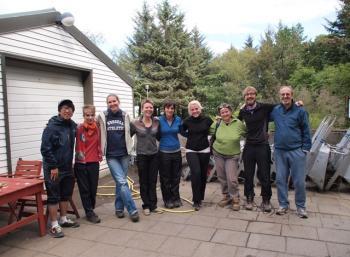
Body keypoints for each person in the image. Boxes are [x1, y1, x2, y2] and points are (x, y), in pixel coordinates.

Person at [270, 85, 311, 218]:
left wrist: (305, 149)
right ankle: (283, 205)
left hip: (296, 151)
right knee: (281, 180)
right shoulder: (275, 110)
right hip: (280, 151)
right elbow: (261, 116)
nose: (285, 96)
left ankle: (301, 207)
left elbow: (306, 130)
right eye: (283, 94)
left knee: (299, 181)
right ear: (279, 96)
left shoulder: (300, 111)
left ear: (292, 95)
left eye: (288, 94)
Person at [97, 94, 139, 222]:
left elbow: (132, 130)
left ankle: (119, 208)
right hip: (111, 156)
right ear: (107, 104)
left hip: (124, 154)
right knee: (122, 182)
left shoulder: (125, 115)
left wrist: (131, 147)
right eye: (109, 102)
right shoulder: (102, 116)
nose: (112, 103)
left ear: (118, 101)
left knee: (120, 183)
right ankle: (132, 209)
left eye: (114, 101)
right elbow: (92, 126)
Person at [41, 99, 79, 238]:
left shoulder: (72, 126)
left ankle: (63, 219)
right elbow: (45, 149)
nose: (67, 110)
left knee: (65, 195)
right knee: (53, 196)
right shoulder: (51, 127)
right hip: (54, 169)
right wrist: (53, 166)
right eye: (64, 108)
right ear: (59, 110)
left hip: (67, 167)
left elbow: (83, 129)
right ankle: (54, 224)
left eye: (70, 108)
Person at [238, 86, 274, 212]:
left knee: (264, 174)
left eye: (252, 94)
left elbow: (282, 108)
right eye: (247, 94)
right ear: (244, 97)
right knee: (248, 174)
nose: (250, 96)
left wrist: (296, 103)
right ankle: (249, 197)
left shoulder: (265, 107)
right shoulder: (243, 111)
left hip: (263, 146)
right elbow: (236, 123)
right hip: (249, 146)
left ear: (256, 95)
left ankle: (266, 199)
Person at [211, 103, 246, 211]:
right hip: (218, 153)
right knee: (221, 177)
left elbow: (247, 134)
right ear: (219, 114)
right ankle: (226, 196)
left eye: (226, 111)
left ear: (230, 112)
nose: (225, 113)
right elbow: (207, 132)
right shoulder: (217, 123)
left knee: (231, 178)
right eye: (222, 112)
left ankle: (235, 198)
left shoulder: (238, 123)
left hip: (232, 155)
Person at [130, 99, 163, 215]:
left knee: (153, 181)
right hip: (142, 156)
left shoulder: (157, 122)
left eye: (151, 107)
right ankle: (146, 205)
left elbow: (159, 136)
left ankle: (153, 205)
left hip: (154, 155)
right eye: (146, 107)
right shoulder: (135, 123)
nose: (149, 109)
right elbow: (127, 136)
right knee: (144, 181)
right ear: (142, 109)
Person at [181, 100, 213, 210]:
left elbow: (213, 131)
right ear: (189, 111)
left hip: (204, 149)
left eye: (196, 109)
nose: (195, 111)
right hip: (191, 150)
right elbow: (181, 130)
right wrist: (189, 135)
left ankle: (200, 197)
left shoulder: (207, 120)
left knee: (203, 175)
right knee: (196, 172)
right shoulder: (187, 121)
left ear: (200, 108)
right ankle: (196, 200)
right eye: (192, 109)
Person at [74, 105, 102, 223]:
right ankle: (89, 212)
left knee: (93, 188)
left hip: (94, 161)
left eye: (92, 115)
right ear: (83, 115)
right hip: (82, 162)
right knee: (84, 189)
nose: (90, 117)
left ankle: (91, 208)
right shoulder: (79, 128)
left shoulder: (98, 127)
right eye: (87, 115)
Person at [158, 99, 183, 209]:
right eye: (168, 108)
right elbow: (155, 134)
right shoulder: (159, 120)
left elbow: (183, 131)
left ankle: (176, 198)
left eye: (172, 108)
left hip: (176, 152)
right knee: (165, 178)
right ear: (164, 109)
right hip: (164, 153)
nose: (170, 110)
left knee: (176, 177)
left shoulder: (178, 119)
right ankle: (167, 199)